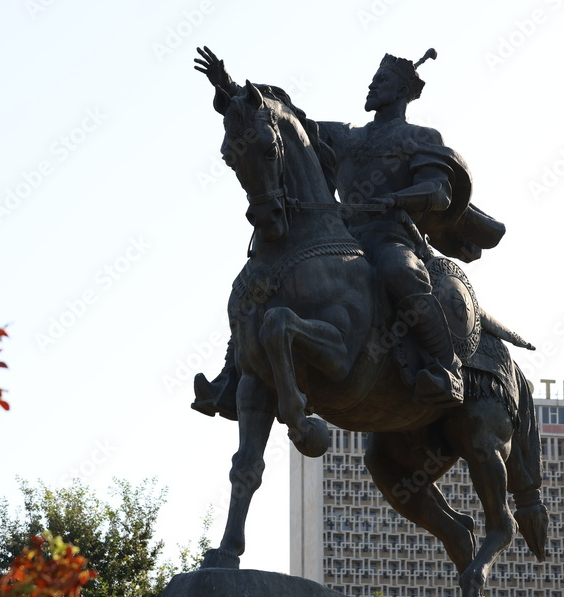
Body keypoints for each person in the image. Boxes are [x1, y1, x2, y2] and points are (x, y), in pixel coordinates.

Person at [192, 47, 505, 418]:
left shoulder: (421, 136)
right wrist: (229, 87)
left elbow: (439, 192)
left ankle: (445, 368)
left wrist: (394, 199)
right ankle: (232, 376)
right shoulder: (345, 136)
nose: (372, 85)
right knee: (260, 274)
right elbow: (283, 119)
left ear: (402, 91)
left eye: (381, 80)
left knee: (399, 271)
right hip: (339, 238)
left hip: (391, 235)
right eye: (373, 79)